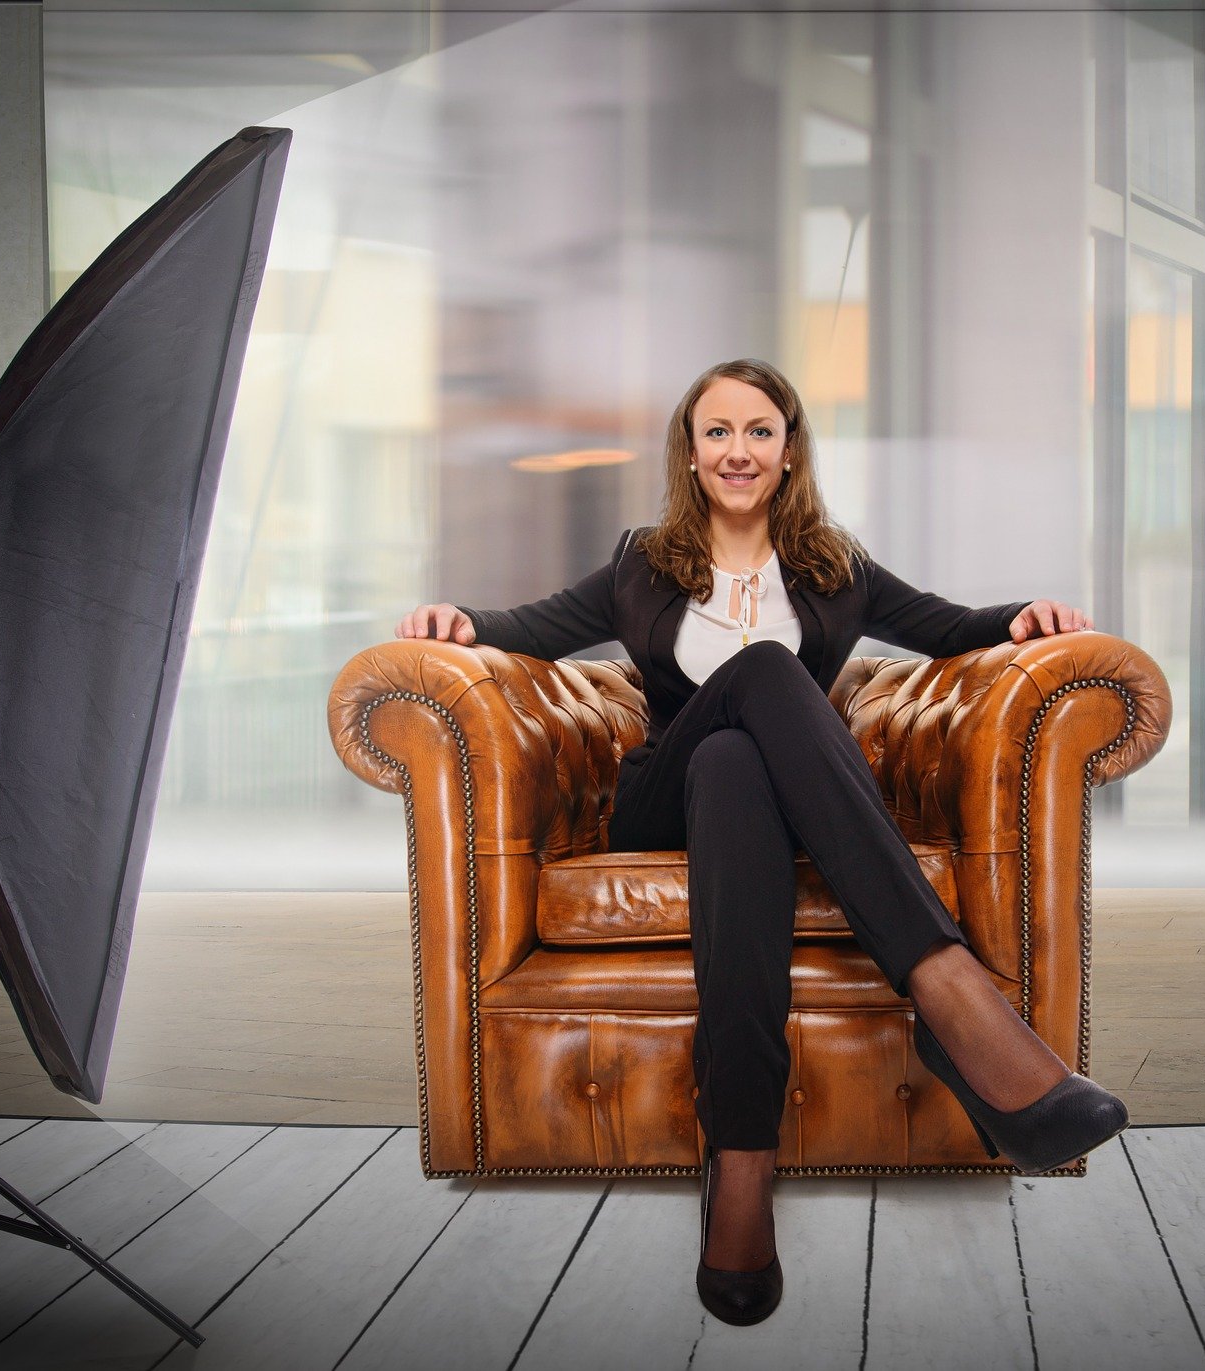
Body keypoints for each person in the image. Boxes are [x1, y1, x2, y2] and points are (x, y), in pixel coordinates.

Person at [396, 358, 1128, 1327]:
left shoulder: (836, 566)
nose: (737, 450)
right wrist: (460, 621)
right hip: (662, 799)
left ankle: (741, 1166)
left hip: (751, 804)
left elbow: (953, 628)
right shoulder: (639, 562)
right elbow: (527, 629)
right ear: (691, 454)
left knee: (741, 761)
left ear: (789, 451)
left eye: (758, 431)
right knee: (766, 673)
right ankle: (949, 994)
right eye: (717, 432)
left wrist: (1022, 620)